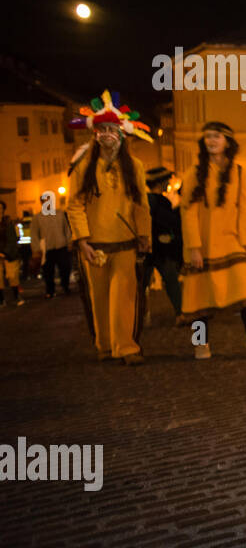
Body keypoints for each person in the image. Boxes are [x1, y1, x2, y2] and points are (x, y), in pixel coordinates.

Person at [65, 95, 153, 364]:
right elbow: (74, 205)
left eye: (112, 130)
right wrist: (82, 240)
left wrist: (144, 235)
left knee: (124, 298)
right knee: (99, 299)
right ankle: (105, 345)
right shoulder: (82, 166)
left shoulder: (135, 166)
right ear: (95, 134)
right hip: (94, 245)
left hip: (125, 242)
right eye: (102, 130)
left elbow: (141, 203)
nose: (107, 135)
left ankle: (126, 347)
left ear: (121, 134)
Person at [179, 122, 246, 361]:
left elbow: (244, 211)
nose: (211, 141)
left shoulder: (240, 173)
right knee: (199, 299)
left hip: (232, 244)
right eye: (208, 136)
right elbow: (187, 212)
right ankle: (200, 345)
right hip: (203, 245)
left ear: (227, 142)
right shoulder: (193, 173)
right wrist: (194, 247)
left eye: (216, 136)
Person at [143, 167, 184, 320]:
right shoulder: (160, 201)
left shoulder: (144, 200)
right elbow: (168, 223)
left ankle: (137, 316)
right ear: (161, 183)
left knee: (142, 285)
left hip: (146, 248)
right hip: (159, 249)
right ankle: (180, 312)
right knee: (171, 281)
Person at [31, 197, 73, 298]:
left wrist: (69, 241)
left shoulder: (60, 214)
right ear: (42, 203)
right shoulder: (37, 217)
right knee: (48, 270)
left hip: (61, 245)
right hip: (46, 248)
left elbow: (66, 228)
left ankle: (65, 285)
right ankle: (50, 290)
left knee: (65, 267)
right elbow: (34, 234)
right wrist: (36, 249)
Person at [0, 201, 22, 307]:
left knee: (13, 276)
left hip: (9, 255)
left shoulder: (9, 223)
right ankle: (1, 300)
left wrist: (5, 252)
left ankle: (16, 296)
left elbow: (12, 240)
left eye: (1, 208)